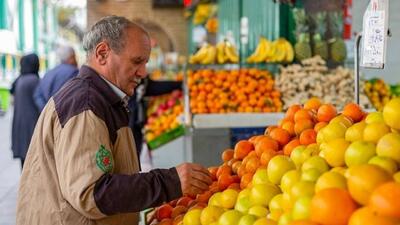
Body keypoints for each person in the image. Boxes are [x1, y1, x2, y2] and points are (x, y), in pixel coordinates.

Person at [16, 15, 212, 225]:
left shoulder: (103, 98)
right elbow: (92, 193)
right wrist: (169, 182)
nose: (143, 72)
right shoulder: (86, 104)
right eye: (137, 61)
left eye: (145, 63)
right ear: (102, 54)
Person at [128, 77, 182, 156]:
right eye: (138, 63)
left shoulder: (140, 79)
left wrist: (178, 85)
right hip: (129, 124)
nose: (143, 72)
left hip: (135, 124)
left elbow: (150, 87)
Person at [10, 53, 40, 169]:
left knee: (24, 162)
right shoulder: (34, 80)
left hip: (19, 124)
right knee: (32, 161)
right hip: (31, 125)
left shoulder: (20, 79)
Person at [33, 45, 78, 111]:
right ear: (71, 58)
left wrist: (47, 111)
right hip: (64, 117)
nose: (76, 60)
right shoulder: (74, 72)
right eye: (75, 57)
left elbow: (37, 95)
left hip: (49, 115)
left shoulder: (49, 73)